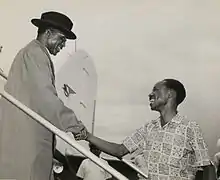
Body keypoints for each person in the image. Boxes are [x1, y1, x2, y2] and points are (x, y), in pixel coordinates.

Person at [0, 11, 87, 180]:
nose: (63, 46)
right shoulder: (35, 54)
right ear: (48, 33)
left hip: (24, 142)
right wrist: (75, 125)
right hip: (27, 144)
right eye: (62, 39)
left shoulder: (31, 53)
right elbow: (46, 99)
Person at [77, 79, 216, 180]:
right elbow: (119, 150)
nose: (150, 94)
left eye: (155, 89)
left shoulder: (190, 127)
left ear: (170, 94)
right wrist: (87, 136)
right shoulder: (149, 128)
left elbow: (207, 167)